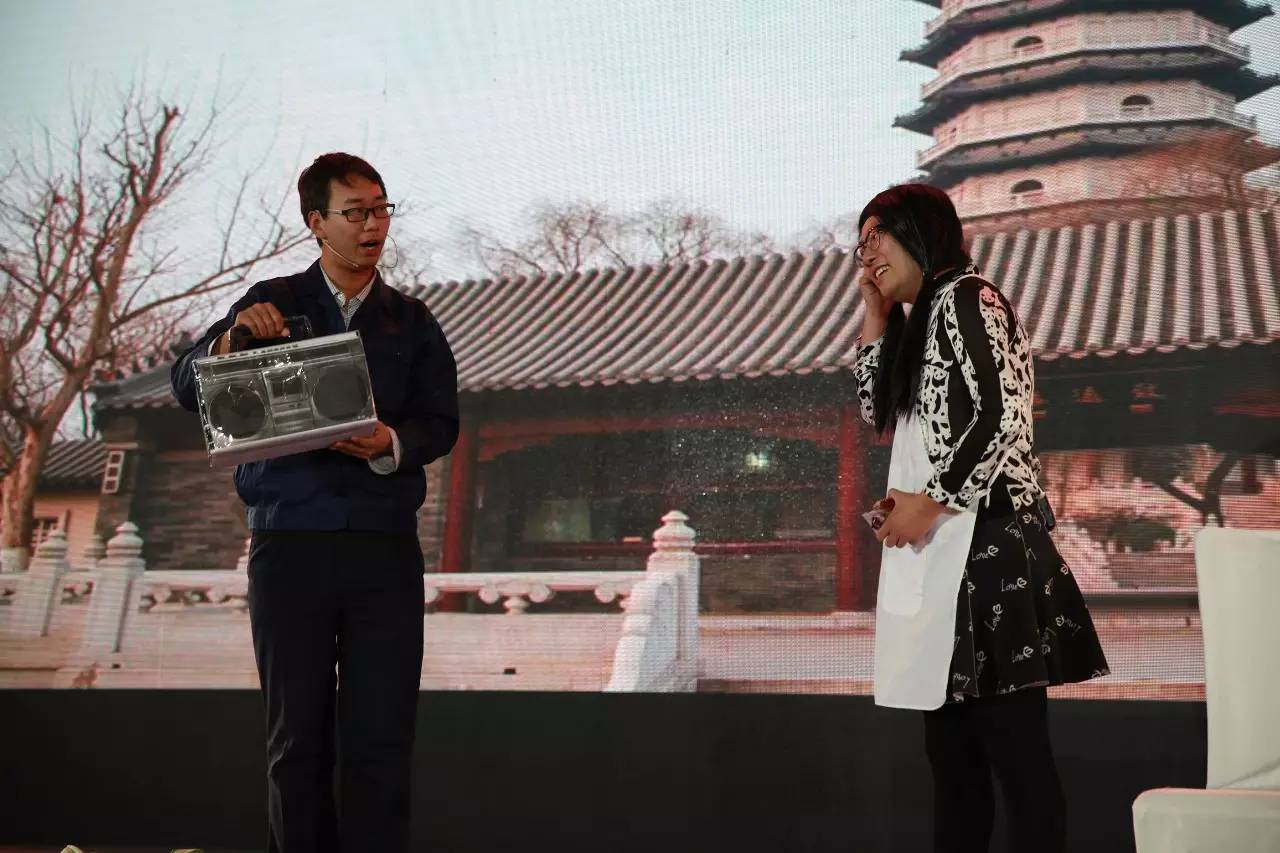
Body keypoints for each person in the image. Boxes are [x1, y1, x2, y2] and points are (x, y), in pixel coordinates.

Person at [171, 152, 459, 852]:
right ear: (316, 222)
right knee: (296, 739)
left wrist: (390, 441)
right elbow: (186, 383)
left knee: (381, 737)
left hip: (383, 551)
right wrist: (234, 338)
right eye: (355, 212)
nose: (373, 225)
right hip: (288, 546)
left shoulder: (412, 319)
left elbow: (441, 422)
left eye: (381, 209)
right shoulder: (272, 300)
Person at [852, 184, 1109, 853]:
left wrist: (929, 499)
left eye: (880, 235)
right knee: (952, 759)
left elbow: (1002, 412)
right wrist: (875, 311)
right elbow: (874, 410)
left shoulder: (970, 297)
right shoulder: (920, 318)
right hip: (944, 550)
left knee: (1016, 755)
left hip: (991, 545)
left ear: (924, 231)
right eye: (860, 243)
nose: (867, 252)